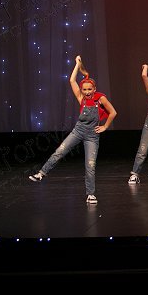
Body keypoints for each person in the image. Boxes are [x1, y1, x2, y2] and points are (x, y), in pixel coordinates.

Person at [29, 56, 117, 204]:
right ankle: (41, 173)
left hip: (92, 135)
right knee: (60, 151)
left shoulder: (100, 99)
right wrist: (77, 64)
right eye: (85, 89)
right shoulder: (81, 98)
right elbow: (72, 80)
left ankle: (91, 194)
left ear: (94, 89)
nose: (87, 92)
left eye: (90, 89)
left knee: (90, 165)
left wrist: (105, 126)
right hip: (78, 131)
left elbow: (113, 112)